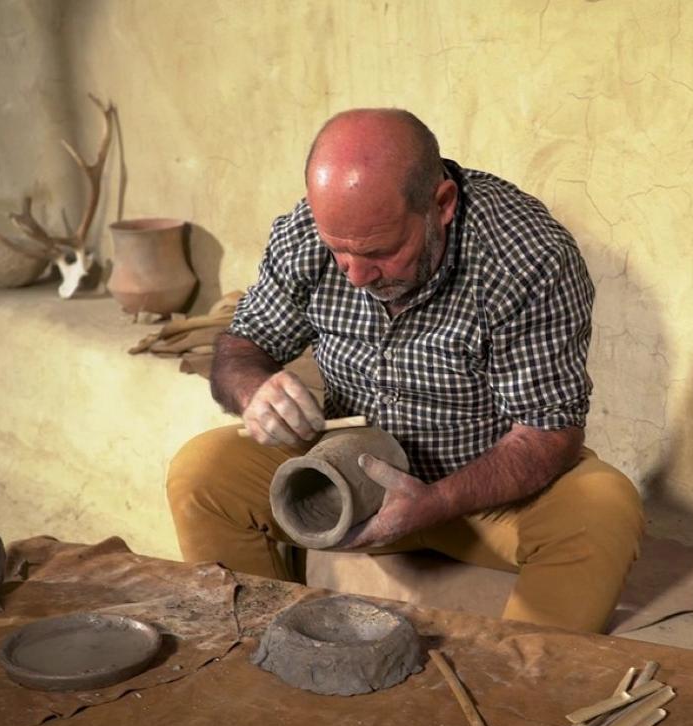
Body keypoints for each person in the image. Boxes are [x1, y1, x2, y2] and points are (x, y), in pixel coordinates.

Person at [166, 108, 643, 633]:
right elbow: (242, 347)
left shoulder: (526, 256)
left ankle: (517, 672)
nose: (356, 275)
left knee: (603, 507)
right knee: (201, 472)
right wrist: (253, 390)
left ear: (442, 204)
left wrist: (436, 501)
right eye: (338, 251)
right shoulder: (309, 231)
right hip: (343, 474)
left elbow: (549, 431)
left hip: (479, 490)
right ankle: (261, 643)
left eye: (380, 251)